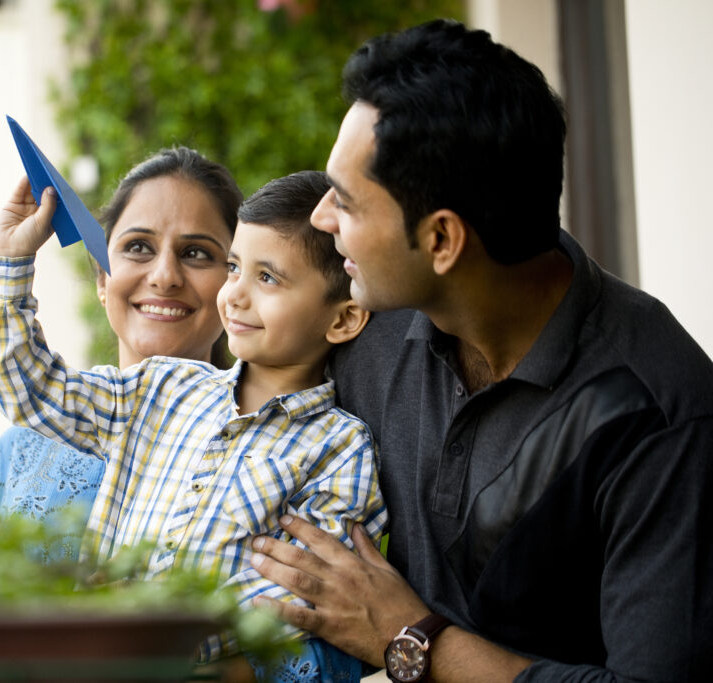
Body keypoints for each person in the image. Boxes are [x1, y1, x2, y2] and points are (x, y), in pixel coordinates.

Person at [247, 19, 713, 683]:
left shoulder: (660, 413)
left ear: (442, 240)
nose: (322, 219)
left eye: (346, 203)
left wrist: (410, 638)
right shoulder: (361, 326)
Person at [0, 168, 387, 668]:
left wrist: (149, 630)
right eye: (235, 268)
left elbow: (301, 593)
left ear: (342, 318)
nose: (235, 293)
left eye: (268, 278)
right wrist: (9, 260)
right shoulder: (162, 387)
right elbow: (30, 388)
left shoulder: (341, 449)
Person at [0, 147, 244, 577]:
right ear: (102, 280)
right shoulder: (16, 453)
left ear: (235, 283)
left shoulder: (265, 444)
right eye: (138, 247)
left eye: (196, 253)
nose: (165, 276)